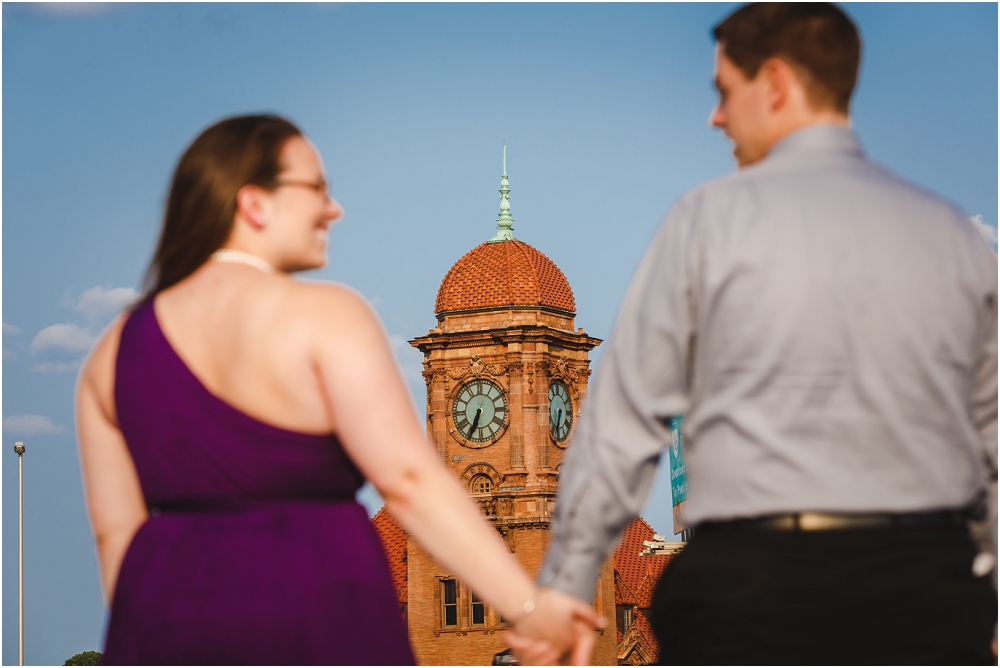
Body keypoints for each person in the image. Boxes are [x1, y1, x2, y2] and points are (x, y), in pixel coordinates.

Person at [512, 3, 998, 665]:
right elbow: (991, 437)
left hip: (755, 590)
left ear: (774, 84)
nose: (716, 117)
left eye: (723, 92)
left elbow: (623, 425)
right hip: (926, 592)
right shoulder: (952, 238)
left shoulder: (708, 223)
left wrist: (566, 585)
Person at [75, 114, 599, 665]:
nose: (333, 209)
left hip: (163, 628)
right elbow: (410, 482)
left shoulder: (110, 354)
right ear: (254, 204)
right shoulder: (327, 316)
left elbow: (116, 539)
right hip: (318, 612)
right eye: (316, 189)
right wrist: (527, 605)